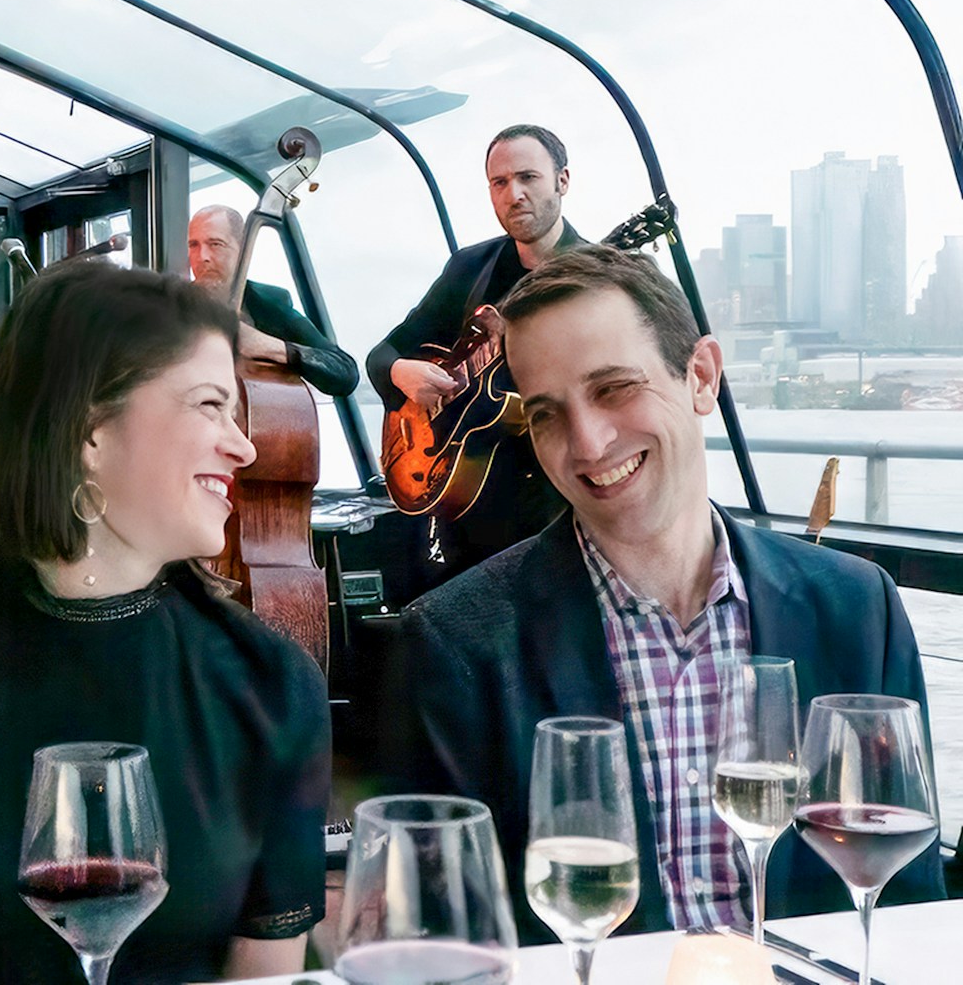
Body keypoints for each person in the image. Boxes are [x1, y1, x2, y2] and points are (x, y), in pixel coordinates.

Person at [380, 245, 943, 943]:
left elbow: (912, 912)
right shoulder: (455, 646)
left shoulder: (859, 610)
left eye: (615, 388)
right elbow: (440, 942)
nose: (587, 445)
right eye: (549, 413)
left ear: (701, 377)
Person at [0, 264, 331, 984]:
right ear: (90, 430)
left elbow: (266, 976)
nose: (245, 446)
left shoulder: (272, 683)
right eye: (209, 406)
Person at [366, 124, 580, 579]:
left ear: (563, 180)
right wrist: (403, 372)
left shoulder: (594, 276)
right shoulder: (470, 267)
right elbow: (382, 354)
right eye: (499, 183)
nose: (514, 194)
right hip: (465, 515)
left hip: (557, 514)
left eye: (528, 177)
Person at [188, 204, 359, 398]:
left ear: (244, 249)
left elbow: (344, 373)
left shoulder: (266, 303)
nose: (202, 257)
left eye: (215, 244)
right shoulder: (168, 305)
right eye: (193, 245)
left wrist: (269, 347)